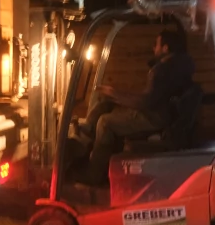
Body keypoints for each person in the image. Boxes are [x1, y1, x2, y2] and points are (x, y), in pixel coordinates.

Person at [76, 28, 195, 186]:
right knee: (107, 104)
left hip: (155, 117)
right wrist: (117, 97)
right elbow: (153, 96)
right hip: (163, 112)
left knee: (105, 122)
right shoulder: (180, 66)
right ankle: (88, 134)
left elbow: (145, 102)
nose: (154, 48)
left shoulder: (161, 70)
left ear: (166, 48)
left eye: (156, 45)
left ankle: (94, 174)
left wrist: (117, 94)